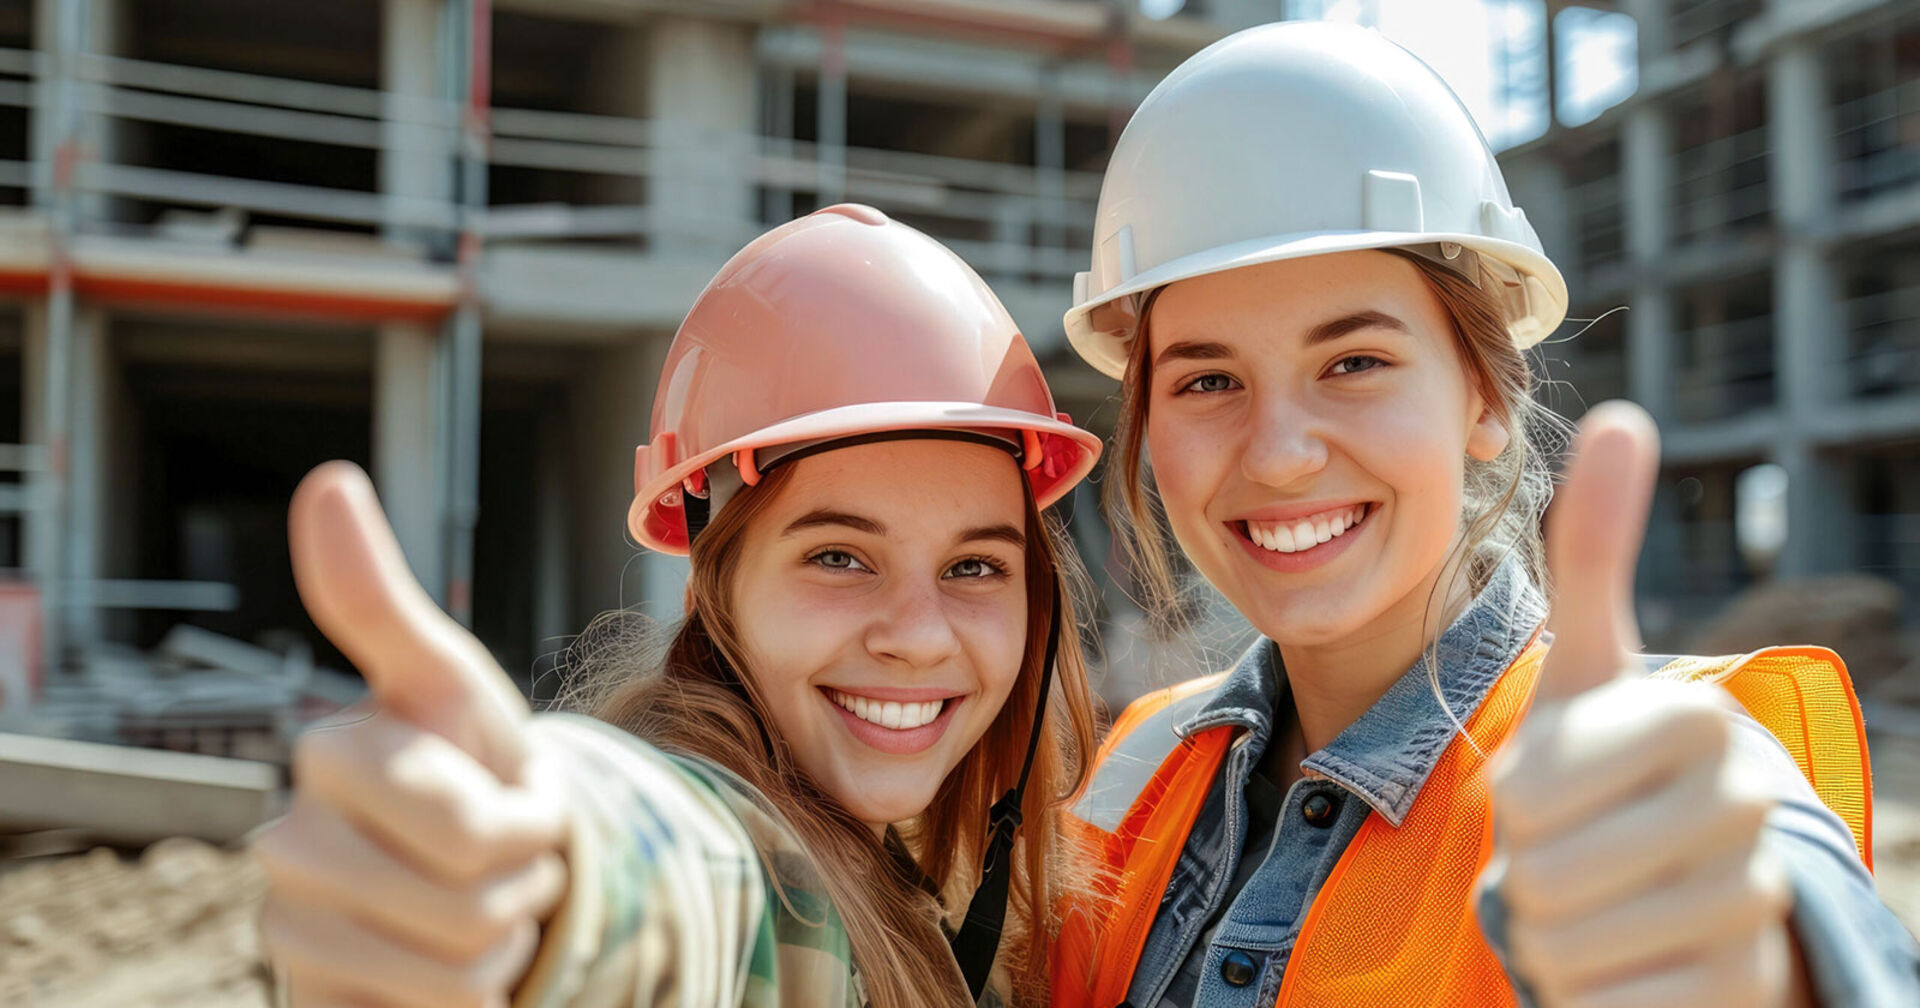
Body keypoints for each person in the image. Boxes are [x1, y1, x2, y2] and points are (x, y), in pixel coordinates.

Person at [1049, 22, 1918, 1008]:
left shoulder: (1640, 767)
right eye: (1208, 380)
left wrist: (1764, 966)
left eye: (1354, 363)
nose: (1279, 453)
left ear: (1487, 397)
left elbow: (1788, 920)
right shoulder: (1137, 763)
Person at [251, 204, 1110, 1008]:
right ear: (711, 590)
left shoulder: (918, 877)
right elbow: (681, 874)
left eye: (974, 567)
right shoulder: (771, 880)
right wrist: (551, 883)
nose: (919, 637)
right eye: (839, 558)